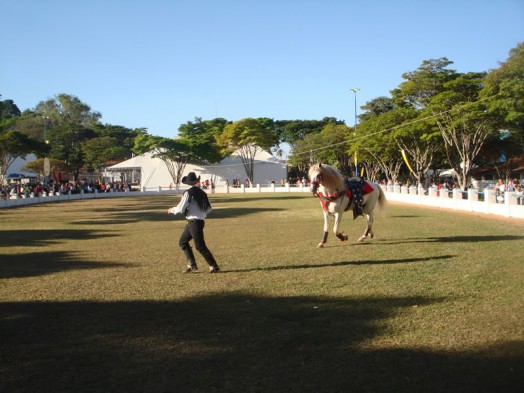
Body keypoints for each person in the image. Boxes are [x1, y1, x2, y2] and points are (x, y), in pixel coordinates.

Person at [167, 172, 220, 273]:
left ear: (188, 183)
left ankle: (214, 266)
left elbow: (181, 208)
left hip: (193, 222)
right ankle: (192, 263)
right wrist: (200, 213)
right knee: (183, 242)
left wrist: (171, 210)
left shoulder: (188, 193)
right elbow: (208, 209)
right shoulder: (202, 193)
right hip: (198, 221)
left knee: (200, 246)